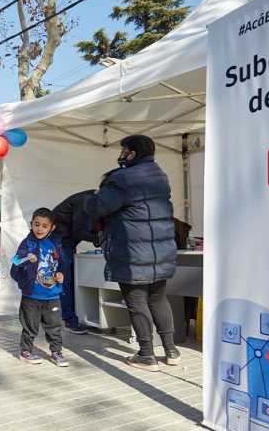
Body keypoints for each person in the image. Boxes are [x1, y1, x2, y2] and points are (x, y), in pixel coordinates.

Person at [84, 134, 179, 371]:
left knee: (137, 302)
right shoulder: (160, 175)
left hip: (132, 251)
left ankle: (147, 355)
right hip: (160, 250)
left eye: (124, 149)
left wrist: (91, 197)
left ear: (132, 153)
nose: (122, 154)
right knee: (158, 298)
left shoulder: (122, 179)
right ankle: (171, 350)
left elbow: (97, 207)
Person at [10, 208, 70, 368]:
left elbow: (63, 264)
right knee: (30, 327)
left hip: (53, 295)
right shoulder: (27, 243)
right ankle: (26, 351)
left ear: (52, 228)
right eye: (36, 224)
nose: (40, 229)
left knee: (55, 327)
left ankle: (56, 352)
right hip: (31, 295)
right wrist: (25, 259)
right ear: (31, 224)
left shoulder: (55, 244)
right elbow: (15, 263)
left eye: (44, 226)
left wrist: (60, 274)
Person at [52, 190, 102, 335]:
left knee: (71, 280)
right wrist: (98, 238)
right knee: (66, 281)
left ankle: (71, 317)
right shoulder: (86, 201)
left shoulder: (94, 201)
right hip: (60, 242)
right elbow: (79, 231)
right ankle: (69, 320)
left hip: (67, 242)